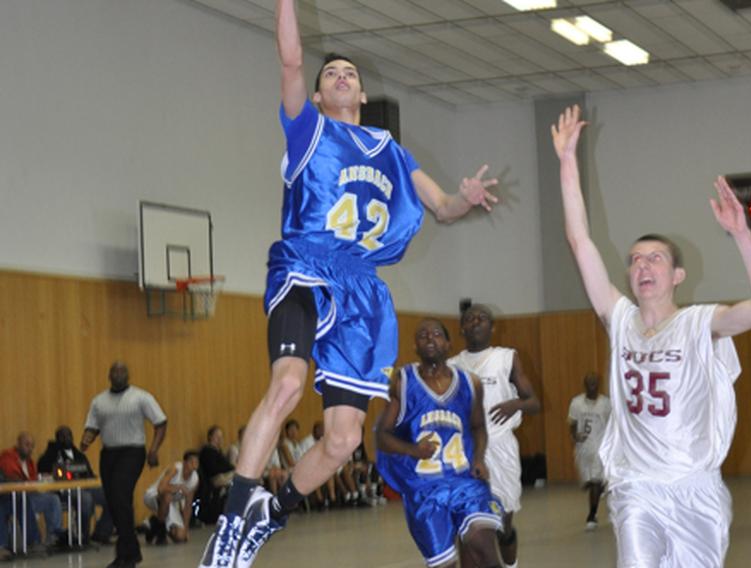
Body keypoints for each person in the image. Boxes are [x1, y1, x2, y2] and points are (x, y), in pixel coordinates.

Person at [199, 0, 498, 565]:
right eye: (330, 73)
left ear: (362, 96)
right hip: (307, 265)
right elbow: (290, 62)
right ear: (317, 96)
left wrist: (466, 199)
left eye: (350, 74)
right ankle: (234, 518)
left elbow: (442, 206)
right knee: (287, 385)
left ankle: (274, 510)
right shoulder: (306, 129)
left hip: (362, 290)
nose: (340, 76)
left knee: (341, 441)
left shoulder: (392, 151)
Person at [552, 105, 751, 567]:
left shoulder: (699, 323)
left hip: (693, 486)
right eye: (635, 260)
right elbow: (580, 241)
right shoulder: (620, 319)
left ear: (677, 274)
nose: (642, 266)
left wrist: (741, 234)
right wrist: (566, 163)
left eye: (654, 258)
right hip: (637, 485)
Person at [376, 318, 502, 568]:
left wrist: (478, 458)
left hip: (464, 482)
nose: (430, 338)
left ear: (448, 343)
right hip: (424, 489)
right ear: (415, 346)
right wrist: (412, 449)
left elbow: (478, 427)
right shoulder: (403, 381)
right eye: (423, 335)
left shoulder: (470, 382)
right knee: (444, 565)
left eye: (436, 334)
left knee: (485, 551)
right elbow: (382, 436)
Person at [449, 303, 540, 568]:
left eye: (483, 318)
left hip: (500, 447)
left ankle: (510, 564)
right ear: (462, 327)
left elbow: (533, 402)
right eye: (470, 318)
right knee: (466, 524)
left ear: (493, 327)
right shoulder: (453, 365)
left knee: (503, 524)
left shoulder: (506, 357)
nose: (476, 321)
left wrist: (515, 404)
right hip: (466, 450)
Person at [81, 361, 167, 568]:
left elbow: (161, 423)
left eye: (122, 371)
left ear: (128, 375)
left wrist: (154, 450)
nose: (118, 374)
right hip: (108, 454)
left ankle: (125, 555)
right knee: (115, 502)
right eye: (115, 371)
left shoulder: (141, 397)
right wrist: (86, 440)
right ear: (109, 376)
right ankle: (131, 553)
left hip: (132, 452)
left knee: (119, 495)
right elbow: (92, 427)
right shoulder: (99, 401)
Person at [36, 425, 113, 544]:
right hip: (63, 490)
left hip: (85, 487)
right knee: (86, 500)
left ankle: (102, 533)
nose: (67, 438)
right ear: (57, 439)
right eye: (63, 436)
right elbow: (42, 467)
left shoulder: (79, 455)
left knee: (112, 496)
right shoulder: (52, 454)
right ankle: (82, 536)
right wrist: (54, 448)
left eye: (69, 435)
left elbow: (89, 473)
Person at [0, 432, 64, 546]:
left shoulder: (30, 462)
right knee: (24, 501)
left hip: (30, 495)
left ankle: (54, 536)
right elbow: (13, 478)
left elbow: (33, 480)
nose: (29, 448)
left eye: (32, 446)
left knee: (53, 499)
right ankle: (33, 542)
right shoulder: (7, 456)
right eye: (27, 445)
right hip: (13, 497)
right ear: (18, 444)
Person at [567, 373, 611, 531]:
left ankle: (591, 516)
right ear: (584, 385)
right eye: (589, 384)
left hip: (600, 448)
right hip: (583, 448)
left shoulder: (606, 404)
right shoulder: (576, 402)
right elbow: (572, 423)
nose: (592, 387)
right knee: (588, 483)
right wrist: (574, 435)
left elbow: (613, 426)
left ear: (598, 385)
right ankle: (601, 492)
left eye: (594, 384)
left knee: (595, 481)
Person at [143, 451, 200, 545]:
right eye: (192, 461)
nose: (194, 464)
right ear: (185, 462)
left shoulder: (195, 480)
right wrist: (178, 487)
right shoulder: (175, 469)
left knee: (181, 537)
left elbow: (188, 506)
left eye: (197, 462)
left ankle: (153, 524)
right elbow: (160, 489)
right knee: (167, 495)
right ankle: (161, 534)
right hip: (153, 496)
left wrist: (186, 528)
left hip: (170, 504)